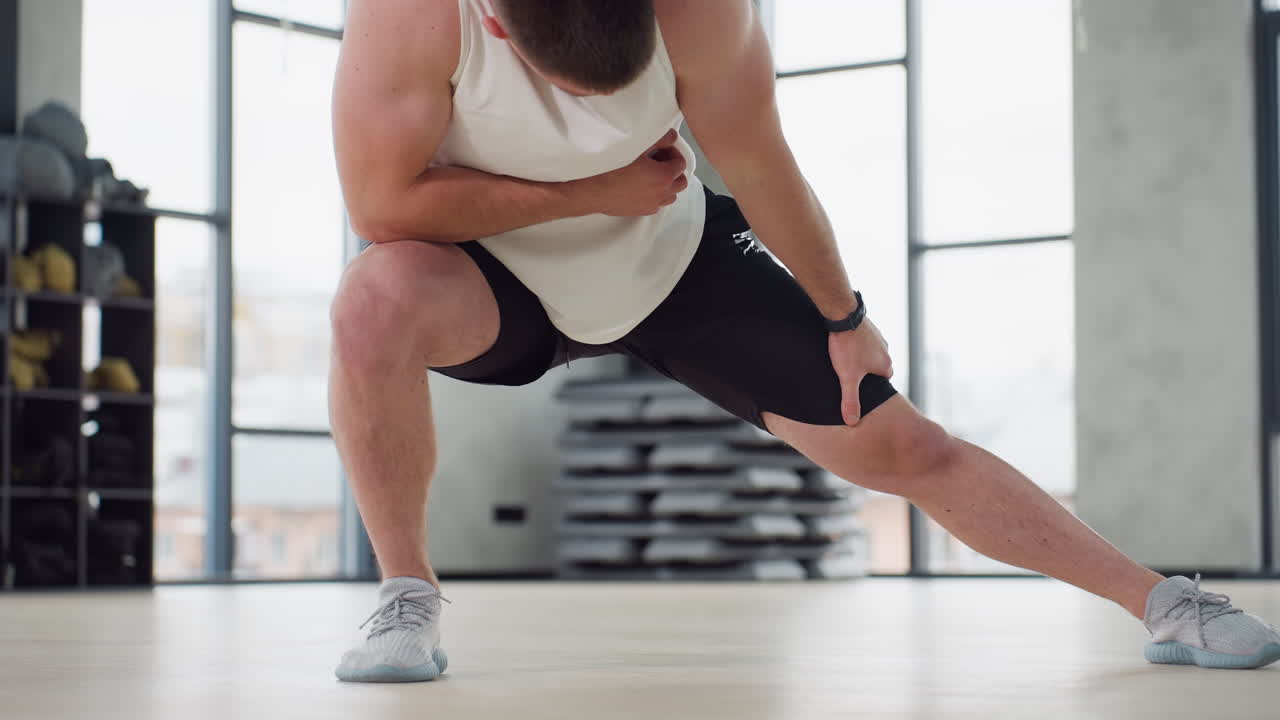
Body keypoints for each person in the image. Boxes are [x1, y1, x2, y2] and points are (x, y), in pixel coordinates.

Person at [328, 0, 1280, 682]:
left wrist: (846, 316)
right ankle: (406, 594)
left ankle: (1161, 602)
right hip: (491, 277)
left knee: (906, 444)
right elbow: (382, 203)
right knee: (370, 301)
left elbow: (761, 163)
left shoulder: (705, 13)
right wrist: (591, 191)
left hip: (671, 256)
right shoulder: (413, 14)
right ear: (495, 20)